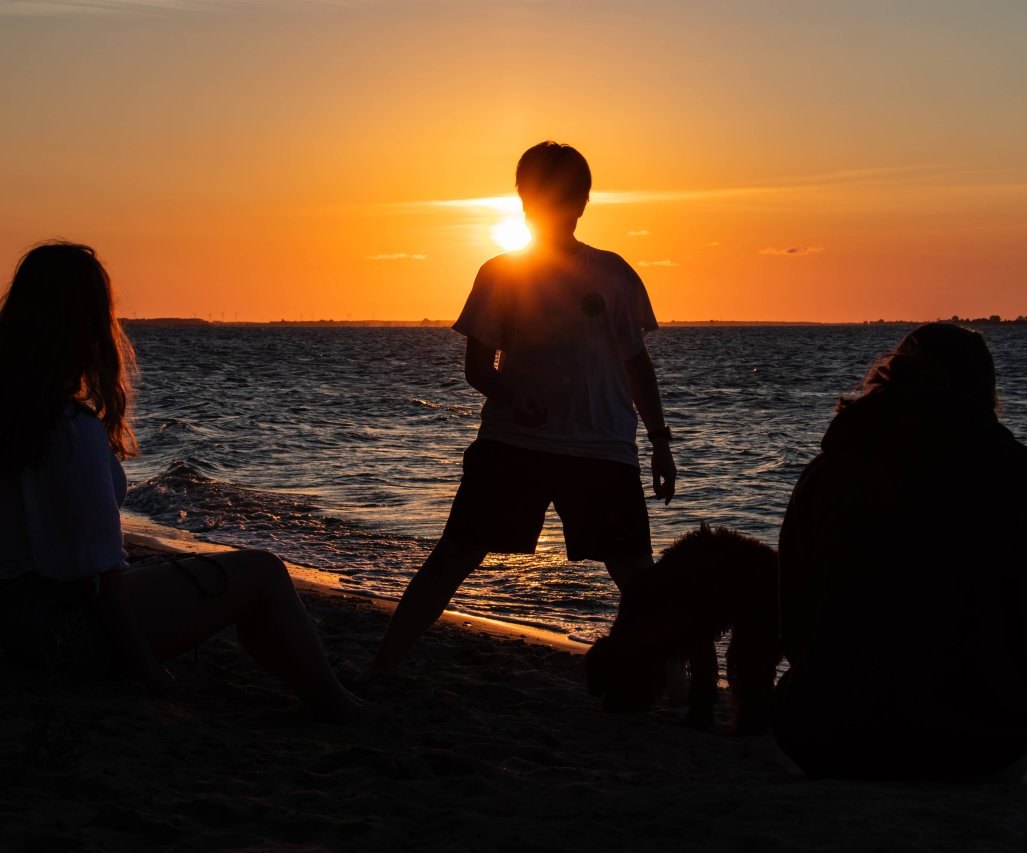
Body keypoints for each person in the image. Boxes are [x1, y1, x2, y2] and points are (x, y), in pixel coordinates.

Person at [0, 242, 364, 722]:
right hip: (56, 634)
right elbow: (102, 580)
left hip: (12, 624)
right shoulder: (67, 428)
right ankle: (337, 705)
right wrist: (151, 675)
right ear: (89, 326)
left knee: (206, 571)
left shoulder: (12, 411)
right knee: (262, 572)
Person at [372, 141, 676, 673]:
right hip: (514, 444)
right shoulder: (500, 273)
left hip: (603, 449)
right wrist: (517, 398)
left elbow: (636, 365)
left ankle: (680, 689)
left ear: (583, 202)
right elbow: (477, 368)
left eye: (565, 196)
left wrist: (660, 443)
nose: (554, 205)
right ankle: (382, 667)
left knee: (634, 573)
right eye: (541, 195)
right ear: (523, 201)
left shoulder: (615, 274)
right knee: (455, 556)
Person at [772, 323, 1027, 782]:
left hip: (831, 735)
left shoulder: (830, 470)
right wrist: (1018, 700)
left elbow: (793, 608)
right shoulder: (1023, 475)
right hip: (979, 742)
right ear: (985, 388)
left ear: (892, 377)